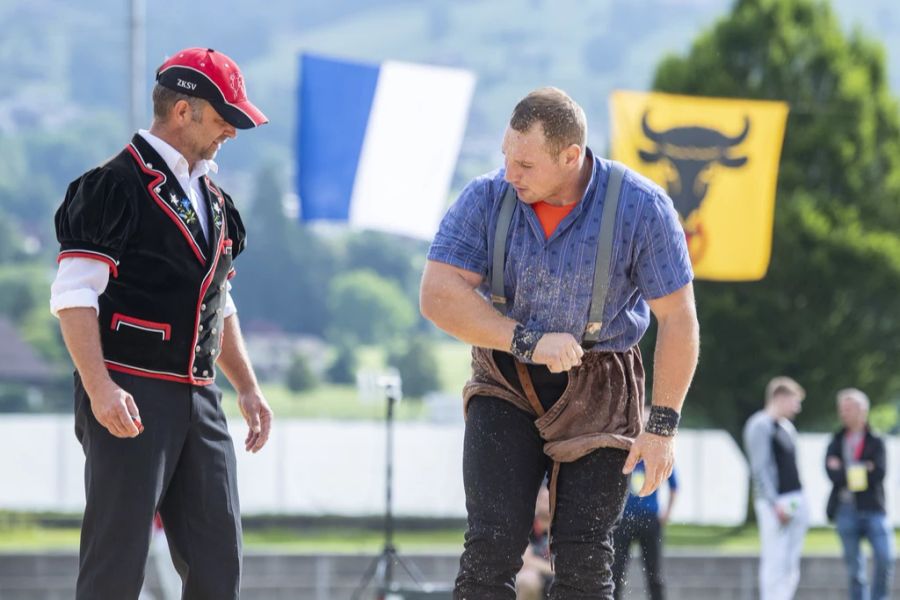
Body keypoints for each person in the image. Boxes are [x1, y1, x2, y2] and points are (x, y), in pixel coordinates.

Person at [420, 87, 699, 599]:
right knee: (490, 549)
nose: (510, 173)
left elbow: (678, 318)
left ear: (571, 156)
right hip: (505, 376)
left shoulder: (642, 207)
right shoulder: (486, 197)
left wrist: (661, 427)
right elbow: (438, 294)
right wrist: (526, 341)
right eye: (506, 156)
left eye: (524, 163)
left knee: (585, 558)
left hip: (603, 389)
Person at [50, 47, 273, 600]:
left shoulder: (216, 201)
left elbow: (218, 302)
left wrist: (246, 385)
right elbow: (74, 297)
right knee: (116, 562)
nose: (232, 131)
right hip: (130, 389)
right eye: (225, 117)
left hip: (200, 394)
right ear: (183, 111)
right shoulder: (111, 187)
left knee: (219, 564)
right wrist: (100, 389)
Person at [742, 376, 809, 600]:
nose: (797, 407)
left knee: (790, 562)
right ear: (780, 397)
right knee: (774, 558)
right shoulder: (759, 425)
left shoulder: (786, 427)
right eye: (794, 400)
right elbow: (759, 469)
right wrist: (773, 503)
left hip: (794, 497)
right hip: (774, 503)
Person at [825, 388, 894, 600]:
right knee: (855, 569)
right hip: (845, 509)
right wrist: (863, 468)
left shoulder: (876, 440)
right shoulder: (836, 440)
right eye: (841, 409)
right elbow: (831, 473)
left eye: (848, 408)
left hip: (873, 508)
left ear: (862, 410)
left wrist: (844, 469)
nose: (843, 413)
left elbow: (878, 473)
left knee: (885, 557)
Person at [611, 445, 679, 600]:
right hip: (624, 520)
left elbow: (674, 486)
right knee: (616, 570)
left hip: (650, 519)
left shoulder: (658, 457)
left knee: (654, 572)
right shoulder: (625, 458)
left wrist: (667, 513)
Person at [516, 486, 554, 600]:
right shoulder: (528, 527)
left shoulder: (564, 527)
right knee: (527, 580)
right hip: (537, 579)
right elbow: (525, 560)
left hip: (559, 579)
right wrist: (555, 570)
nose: (545, 502)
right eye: (542, 499)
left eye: (549, 499)